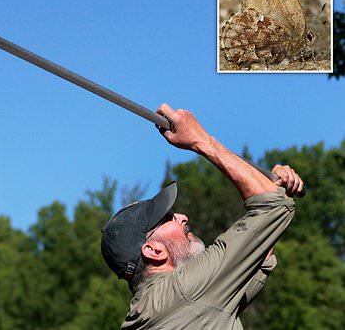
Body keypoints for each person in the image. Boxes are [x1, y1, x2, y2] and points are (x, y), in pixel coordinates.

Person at [101, 104, 304, 329]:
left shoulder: (162, 306)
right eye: (167, 218)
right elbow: (272, 207)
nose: (182, 216)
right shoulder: (184, 290)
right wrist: (199, 139)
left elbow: (261, 239)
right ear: (153, 250)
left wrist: (269, 186)